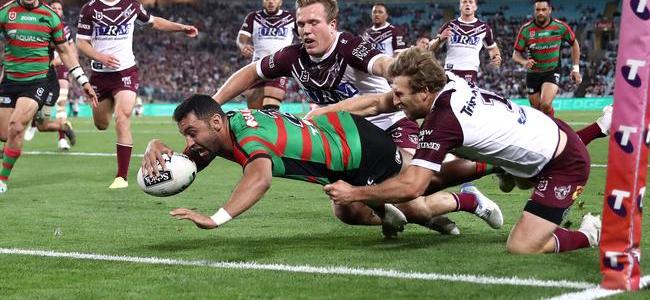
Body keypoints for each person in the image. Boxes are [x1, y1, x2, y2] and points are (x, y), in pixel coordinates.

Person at [214, 0, 493, 233]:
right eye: (301, 24)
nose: (306, 30)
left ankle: (471, 192)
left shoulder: (349, 46)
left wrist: (398, 70)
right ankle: (409, 212)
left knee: (413, 195)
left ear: (332, 25)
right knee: (348, 213)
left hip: (390, 128)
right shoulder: (293, 56)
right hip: (346, 143)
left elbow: (381, 62)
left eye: (314, 23)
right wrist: (214, 103)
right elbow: (251, 72)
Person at [322, 47, 602, 255]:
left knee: (523, 246)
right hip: (544, 134)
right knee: (462, 170)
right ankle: (504, 172)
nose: (395, 101)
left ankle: (588, 234)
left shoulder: (443, 121)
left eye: (400, 94)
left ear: (424, 92)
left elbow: (413, 186)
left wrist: (355, 194)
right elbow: (380, 102)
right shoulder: (449, 80)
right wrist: (323, 114)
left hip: (563, 165)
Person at [141, 94, 502, 236]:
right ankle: (390, 210)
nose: (190, 143)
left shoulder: (251, 141)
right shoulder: (225, 126)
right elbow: (197, 157)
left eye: (191, 133)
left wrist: (215, 218)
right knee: (347, 213)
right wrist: (163, 150)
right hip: (338, 150)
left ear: (215, 123)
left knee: (422, 191)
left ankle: (488, 175)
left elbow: (260, 178)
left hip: (360, 150)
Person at [76, 0, 198, 189]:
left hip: (126, 73)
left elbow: (153, 22)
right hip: (99, 75)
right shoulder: (89, 9)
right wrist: (100, 57)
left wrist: (180, 28)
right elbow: (80, 43)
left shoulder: (131, 5)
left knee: (123, 119)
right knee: (101, 124)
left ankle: (121, 177)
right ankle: (106, 112)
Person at [0, 0, 97, 193]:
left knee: (16, 127)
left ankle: (2, 180)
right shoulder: (6, 13)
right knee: (5, 134)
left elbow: (65, 51)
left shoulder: (50, 17)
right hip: (10, 81)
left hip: (37, 82)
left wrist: (83, 80)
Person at [512, 0, 581, 116]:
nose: (540, 13)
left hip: (552, 70)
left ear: (550, 10)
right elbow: (516, 54)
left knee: (545, 104)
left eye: (544, 10)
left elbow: (574, 43)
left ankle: (553, 127)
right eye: (537, 10)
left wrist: (575, 69)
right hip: (533, 74)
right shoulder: (526, 30)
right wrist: (524, 62)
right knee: (536, 110)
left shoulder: (560, 27)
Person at [23, 0, 77, 150]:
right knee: (36, 102)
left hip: (60, 68)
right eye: (54, 8)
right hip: (42, 68)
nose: (57, 11)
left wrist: (64, 62)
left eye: (59, 9)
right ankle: (35, 123)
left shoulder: (65, 28)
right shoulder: (41, 25)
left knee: (61, 104)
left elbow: (72, 50)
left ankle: (61, 139)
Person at [237, 0, 296, 110]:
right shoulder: (253, 17)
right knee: (254, 112)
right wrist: (243, 46)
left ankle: (272, 126)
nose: (270, 1)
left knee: (270, 110)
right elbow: (241, 37)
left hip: (279, 66)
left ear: (280, 1)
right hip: (257, 66)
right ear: (263, 1)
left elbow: (304, 36)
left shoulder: (291, 18)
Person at [428, 0, 501, 85]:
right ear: (460, 6)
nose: (467, 4)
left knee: (464, 98)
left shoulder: (483, 27)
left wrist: (496, 56)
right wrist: (440, 39)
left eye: (471, 2)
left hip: (470, 70)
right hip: (450, 70)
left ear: (475, 7)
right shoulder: (449, 25)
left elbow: (492, 47)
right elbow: (430, 49)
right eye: (464, 2)